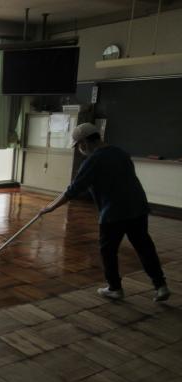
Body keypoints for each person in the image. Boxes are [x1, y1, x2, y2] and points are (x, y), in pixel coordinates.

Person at [39, 122, 170, 303]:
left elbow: (73, 190)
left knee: (108, 251)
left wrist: (51, 207)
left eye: (78, 145)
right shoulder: (120, 152)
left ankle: (115, 288)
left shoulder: (93, 160)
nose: (79, 149)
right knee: (144, 247)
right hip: (138, 207)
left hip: (114, 212)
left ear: (84, 142)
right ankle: (161, 286)